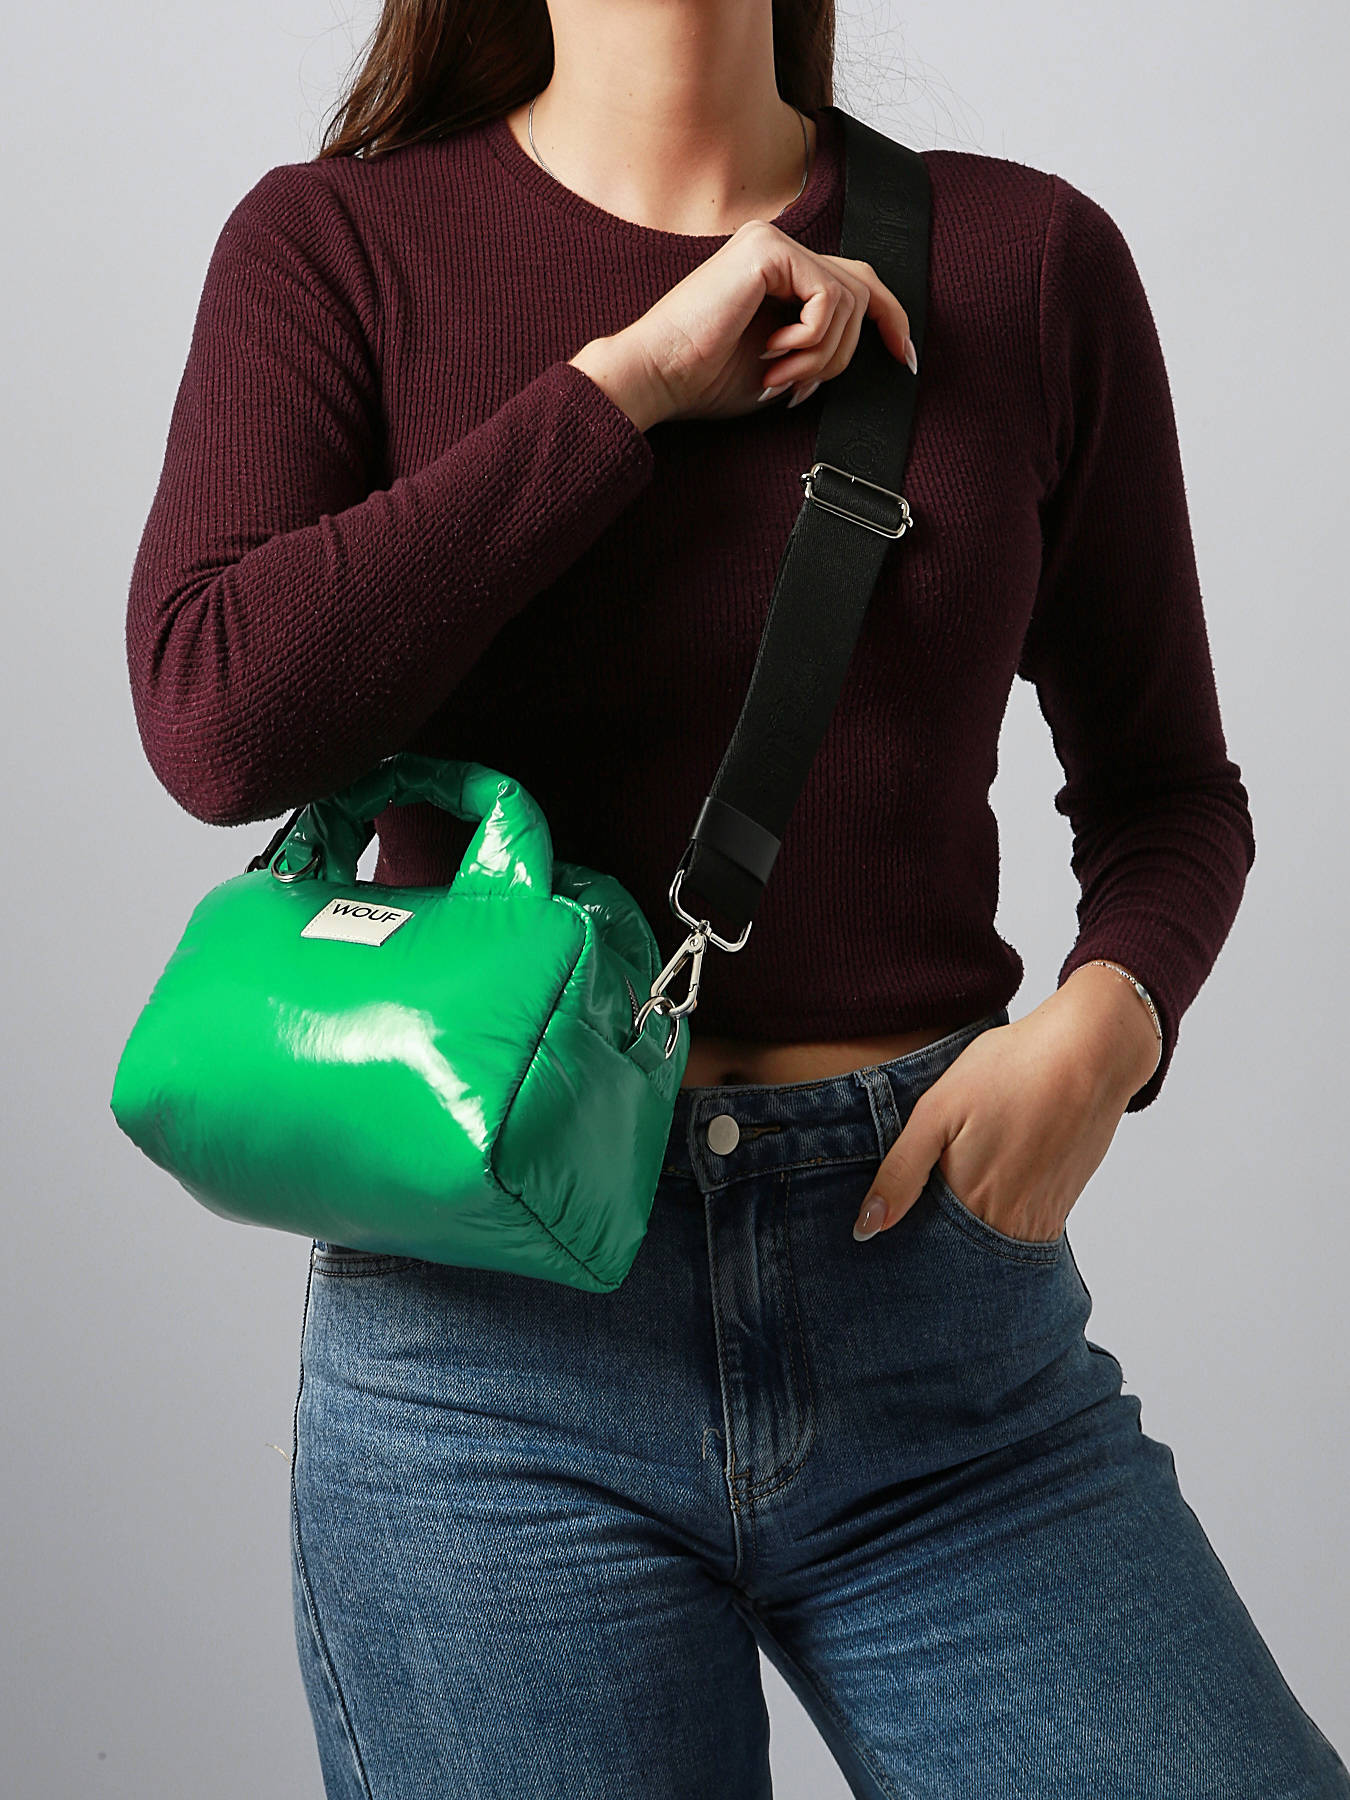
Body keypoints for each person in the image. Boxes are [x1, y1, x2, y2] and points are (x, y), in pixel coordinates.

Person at [124, 2, 1349, 1794]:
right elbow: (218, 721)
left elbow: (1169, 795)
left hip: (933, 1319)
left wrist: (1106, 1029)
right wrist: (620, 390)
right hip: (485, 1367)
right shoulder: (335, 247)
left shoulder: (1025, 261)